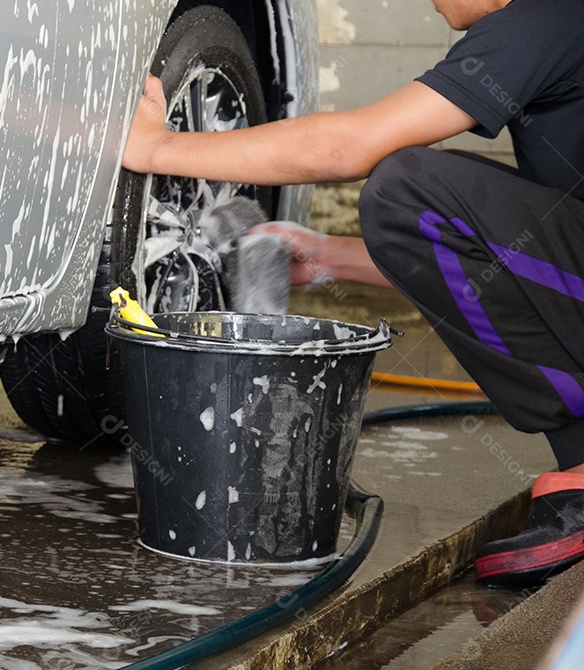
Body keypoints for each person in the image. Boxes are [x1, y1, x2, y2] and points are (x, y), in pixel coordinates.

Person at [122, 0, 584, 588]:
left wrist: (156, 149)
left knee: (403, 189)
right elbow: (514, 252)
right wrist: (323, 256)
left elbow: (351, 149)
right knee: (426, 201)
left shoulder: (542, 17)